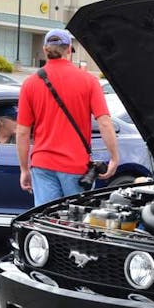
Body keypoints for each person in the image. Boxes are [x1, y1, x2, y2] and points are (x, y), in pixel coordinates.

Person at [16, 28, 119, 206]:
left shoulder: (30, 83)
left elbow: (22, 132)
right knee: (75, 225)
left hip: (43, 164)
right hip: (76, 167)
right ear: (69, 49)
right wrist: (114, 157)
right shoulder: (89, 81)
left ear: (44, 49)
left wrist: (24, 169)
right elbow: (104, 122)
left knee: (46, 221)